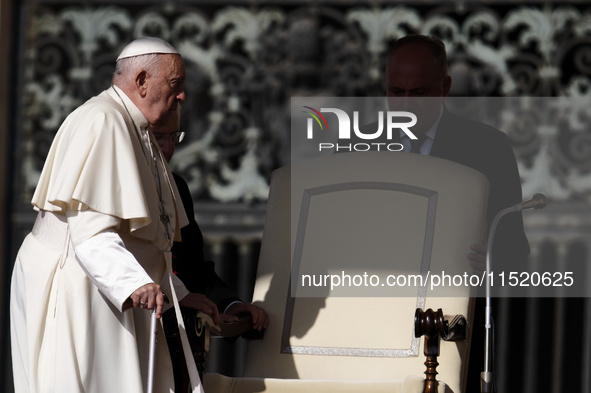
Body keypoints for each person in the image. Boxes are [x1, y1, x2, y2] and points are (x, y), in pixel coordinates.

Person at [10, 37, 218, 393]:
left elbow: (145, 235)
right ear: (141, 81)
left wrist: (178, 292)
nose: (182, 96)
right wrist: (133, 283)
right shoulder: (103, 120)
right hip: (84, 282)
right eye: (175, 84)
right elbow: (91, 233)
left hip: (109, 283)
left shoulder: (135, 126)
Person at [384, 35, 530, 392]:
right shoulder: (361, 145)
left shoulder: (488, 148)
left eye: (417, 93)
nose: (404, 105)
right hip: (378, 314)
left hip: (452, 328)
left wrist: (494, 261)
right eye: (395, 92)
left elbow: (516, 252)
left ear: (445, 87)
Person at [151, 108, 269, 392]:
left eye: (173, 137)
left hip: (177, 341)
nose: (168, 149)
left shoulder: (175, 186)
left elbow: (192, 267)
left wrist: (228, 304)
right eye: (157, 138)